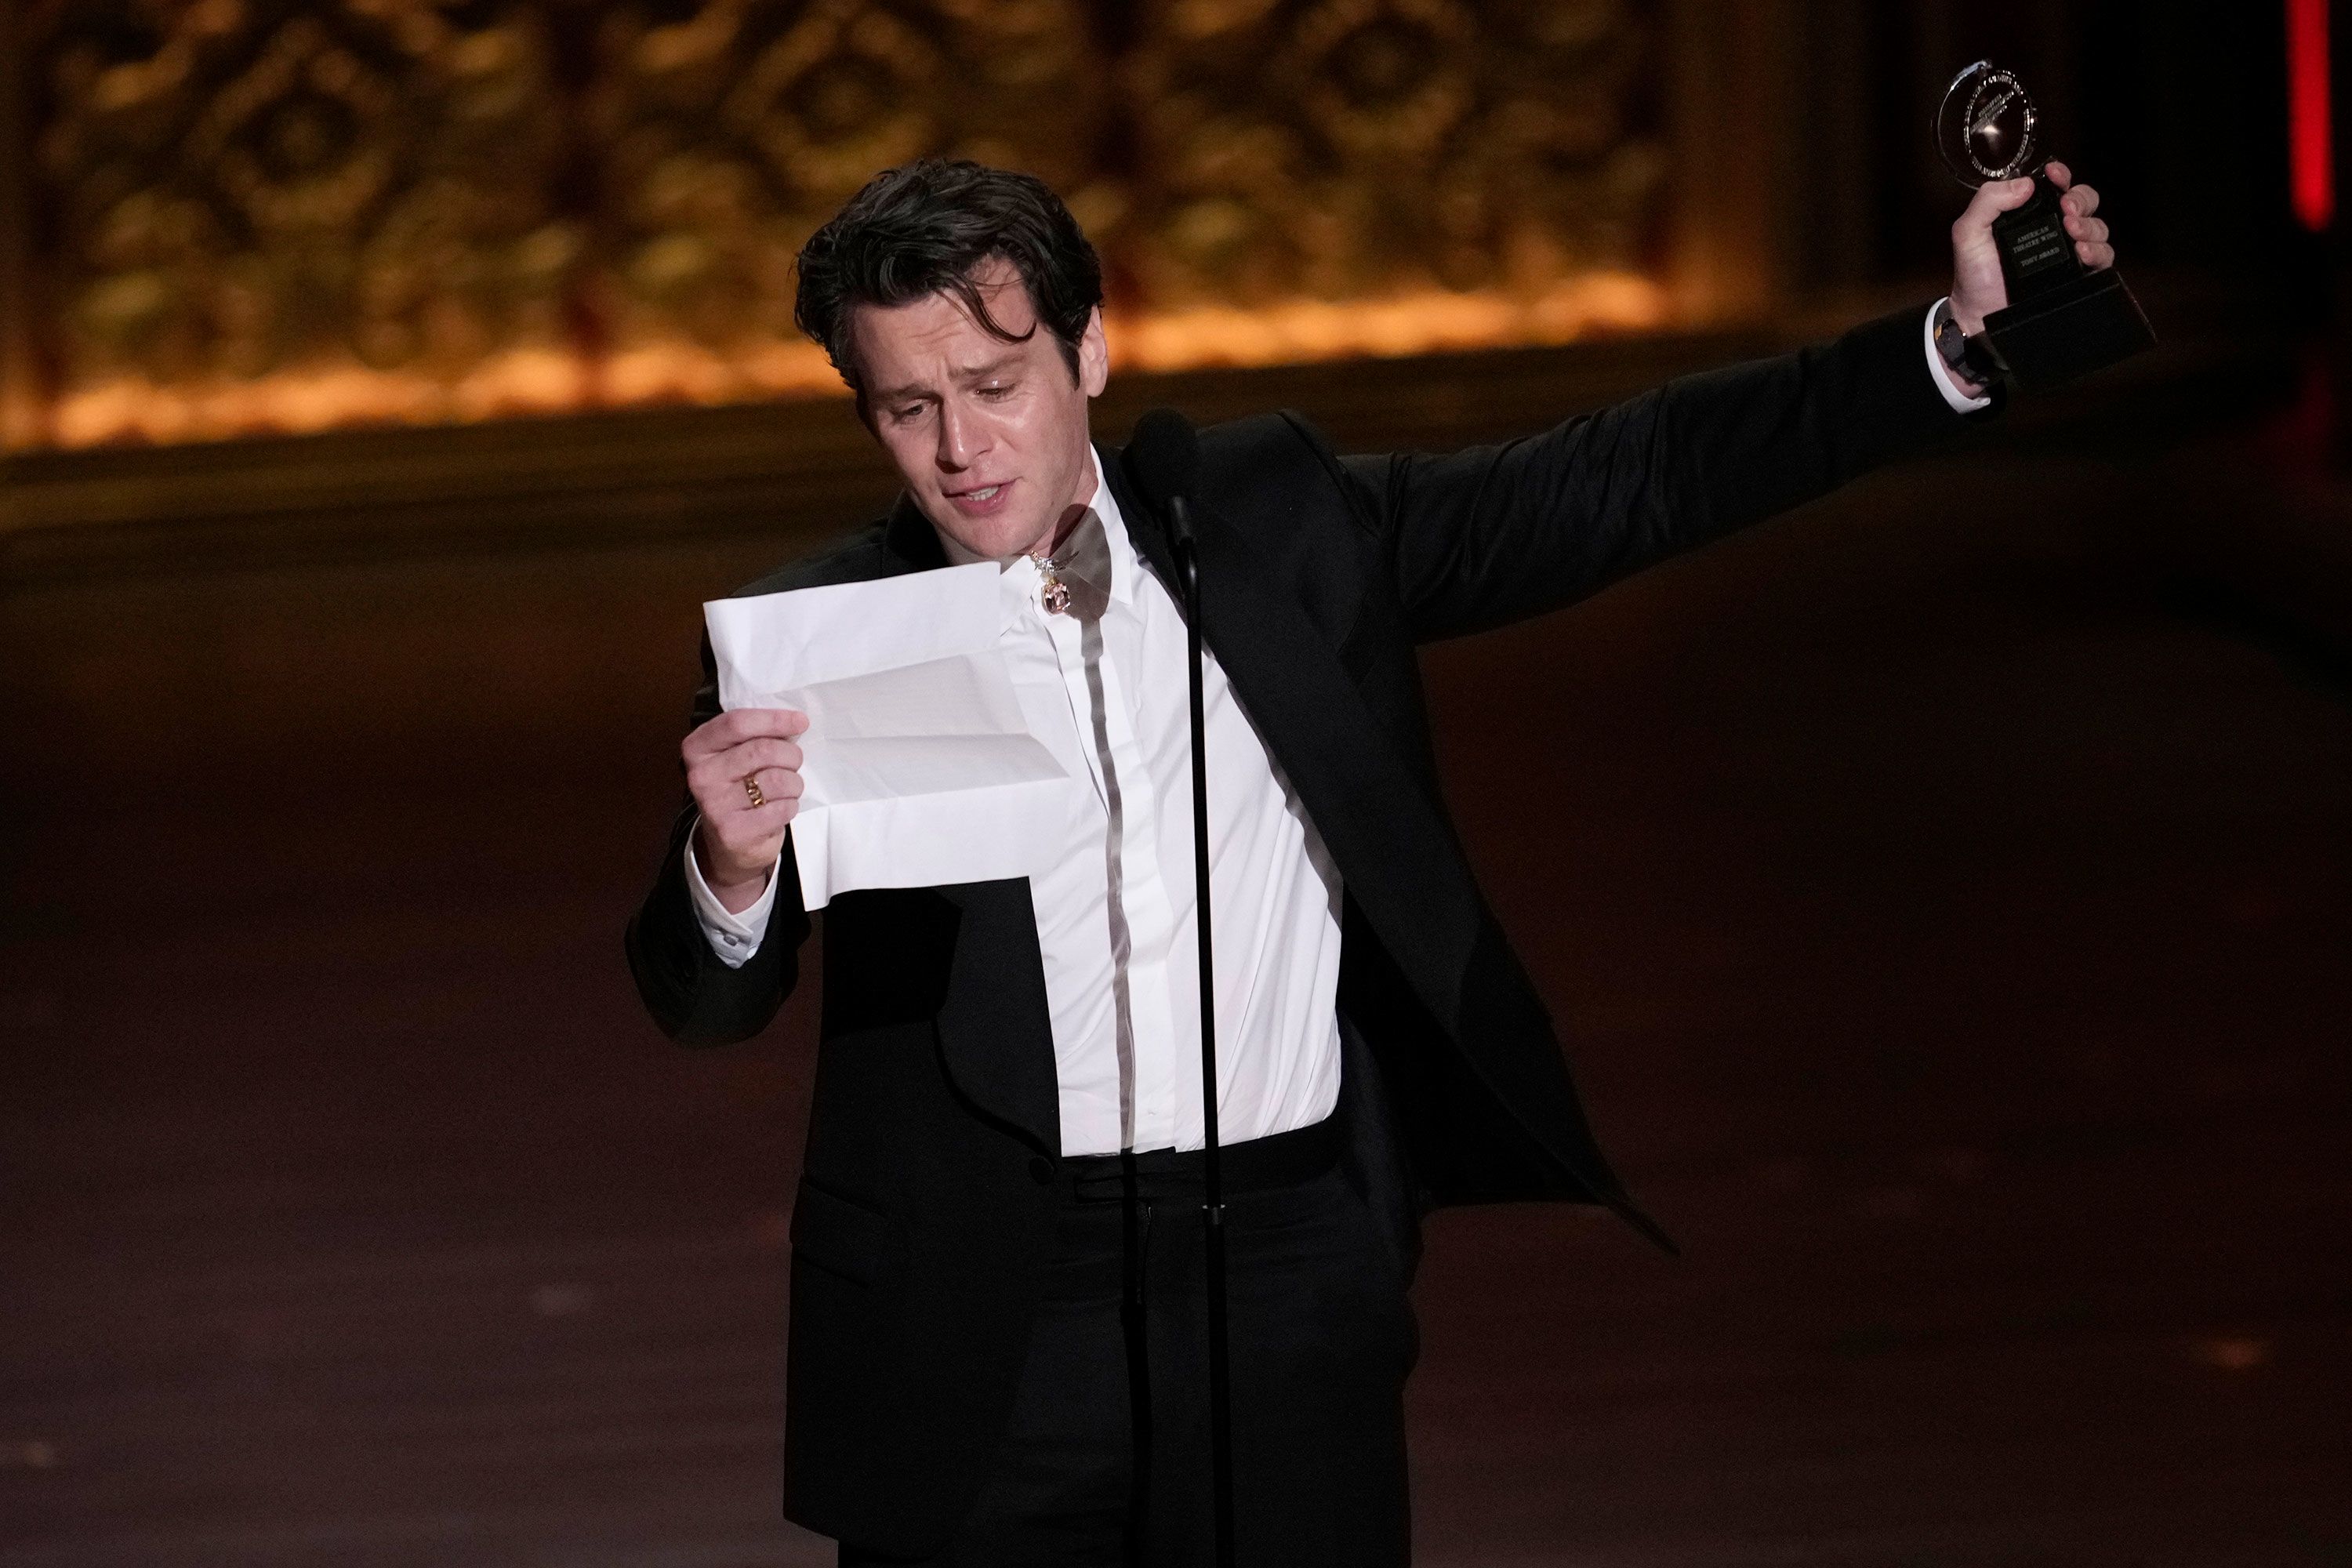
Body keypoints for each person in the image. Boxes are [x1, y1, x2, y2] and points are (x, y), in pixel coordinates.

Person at [626, 157, 2116, 1566]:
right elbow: (698, 1003)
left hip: (1284, 1265)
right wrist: (731, 869)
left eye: (995, 386)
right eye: (907, 409)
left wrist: (1955, 348)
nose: (961, 450)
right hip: (986, 1305)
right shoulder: (819, 639)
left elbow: (1625, 480)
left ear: (1088, 354)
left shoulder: (1279, 524)